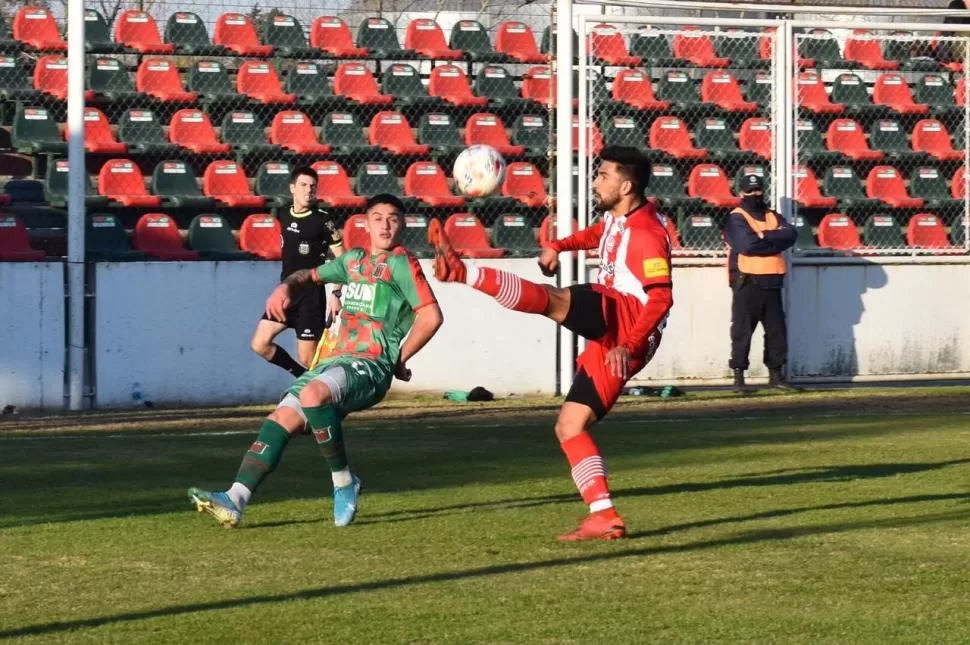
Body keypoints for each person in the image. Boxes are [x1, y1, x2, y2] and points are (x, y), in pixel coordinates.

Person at [428, 145, 673, 542]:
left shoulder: (646, 232)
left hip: (629, 318)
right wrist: (559, 245)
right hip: (617, 332)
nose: (596, 182)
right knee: (569, 426)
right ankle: (604, 516)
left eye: (604, 176)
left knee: (553, 300)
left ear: (626, 186)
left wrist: (628, 344)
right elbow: (601, 234)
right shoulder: (621, 217)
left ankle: (462, 272)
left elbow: (661, 297)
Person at [189, 194, 443, 528]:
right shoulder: (352, 260)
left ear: (403, 224)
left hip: (370, 364)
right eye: (377, 217)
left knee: (312, 396)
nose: (385, 224)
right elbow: (307, 275)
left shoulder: (402, 264)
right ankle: (236, 498)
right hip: (335, 362)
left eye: (393, 218)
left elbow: (432, 317)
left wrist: (398, 358)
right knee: (281, 418)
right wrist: (284, 289)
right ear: (365, 224)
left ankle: (343, 483)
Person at [251, 166, 345, 377]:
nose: (308, 190)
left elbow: (343, 260)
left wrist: (336, 294)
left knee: (309, 358)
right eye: (303, 185)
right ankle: (302, 379)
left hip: (311, 296)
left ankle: (333, 388)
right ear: (292, 188)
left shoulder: (323, 221)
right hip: (285, 294)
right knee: (260, 343)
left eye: (313, 186)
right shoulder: (284, 214)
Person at [724, 173, 798, 393]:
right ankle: (739, 377)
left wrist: (763, 237)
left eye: (758, 190)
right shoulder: (736, 217)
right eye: (750, 191)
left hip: (773, 281)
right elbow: (747, 245)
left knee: (777, 332)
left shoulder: (773, 215)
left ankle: (776, 376)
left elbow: (791, 235)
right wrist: (773, 240)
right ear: (741, 193)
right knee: (742, 331)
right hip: (747, 281)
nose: (755, 194)